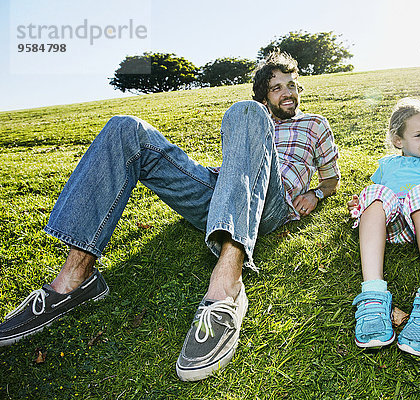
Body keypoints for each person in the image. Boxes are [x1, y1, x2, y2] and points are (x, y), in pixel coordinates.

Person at [0, 51, 340, 381]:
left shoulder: (314, 124)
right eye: (277, 87)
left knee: (248, 114)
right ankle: (75, 278)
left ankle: (226, 290)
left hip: (270, 204)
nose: (287, 93)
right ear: (266, 94)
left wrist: (317, 192)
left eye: (292, 85)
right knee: (126, 128)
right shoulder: (254, 114)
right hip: (221, 191)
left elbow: (332, 179)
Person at [347, 98, 420, 357]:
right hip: (394, 226)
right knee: (374, 192)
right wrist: (362, 204)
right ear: (398, 141)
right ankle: (373, 292)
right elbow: (379, 202)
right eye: (419, 135)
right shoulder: (387, 165)